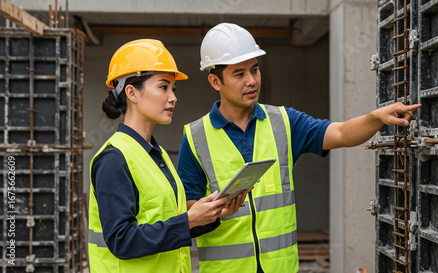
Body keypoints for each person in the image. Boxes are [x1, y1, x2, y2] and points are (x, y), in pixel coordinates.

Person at [177, 23, 422, 273]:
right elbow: (188, 210)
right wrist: (215, 210)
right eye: (239, 74)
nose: (251, 81)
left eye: (255, 70)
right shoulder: (195, 137)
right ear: (215, 81)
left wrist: (376, 117)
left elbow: (340, 133)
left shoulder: (285, 122)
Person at [87, 39, 246, 273]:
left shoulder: (154, 153)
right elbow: (122, 240)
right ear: (132, 92)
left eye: (173, 89)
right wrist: (189, 220)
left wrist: (209, 216)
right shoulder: (114, 158)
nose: (173, 97)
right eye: (163, 87)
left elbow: (166, 226)